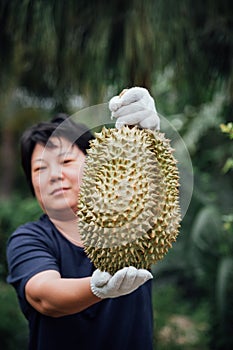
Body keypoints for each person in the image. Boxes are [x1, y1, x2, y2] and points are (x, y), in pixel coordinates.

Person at [6, 87, 160, 350]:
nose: (53, 175)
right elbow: (44, 296)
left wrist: (146, 134)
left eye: (65, 161)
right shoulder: (28, 238)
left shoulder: (129, 220)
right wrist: (97, 288)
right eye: (40, 168)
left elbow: (150, 185)